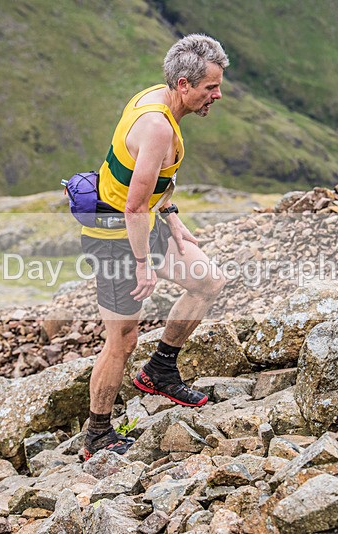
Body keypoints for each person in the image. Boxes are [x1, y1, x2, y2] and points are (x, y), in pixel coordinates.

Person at [79, 34, 230, 460]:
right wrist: (143, 264)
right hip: (114, 237)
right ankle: (98, 435)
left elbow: (150, 181)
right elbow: (132, 205)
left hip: (143, 224)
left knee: (209, 281)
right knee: (122, 339)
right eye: (210, 88)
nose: (217, 95)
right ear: (184, 84)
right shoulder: (157, 125)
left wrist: (174, 217)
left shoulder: (161, 99)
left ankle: (160, 370)